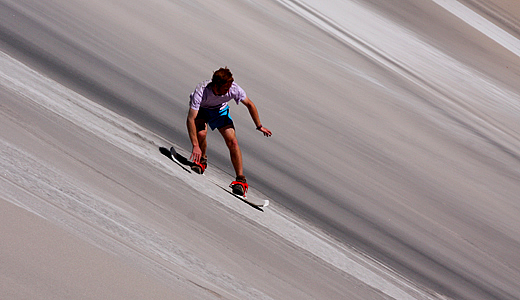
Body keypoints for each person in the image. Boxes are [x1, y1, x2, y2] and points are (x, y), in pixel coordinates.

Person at [187, 67, 272, 196]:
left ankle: (240, 180)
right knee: (201, 133)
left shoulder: (233, 89)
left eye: (229, 88)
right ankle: (201, 161)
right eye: (225, 89)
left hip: (220, 112)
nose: (228, 91)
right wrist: (195, 146)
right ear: (216, 86)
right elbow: (190, 119)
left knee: (233, 142)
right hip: (202, 110)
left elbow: (249, 104)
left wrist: (259, 126)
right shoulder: (201, 91)